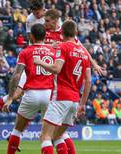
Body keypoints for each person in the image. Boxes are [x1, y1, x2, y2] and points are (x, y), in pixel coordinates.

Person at [34, 20, 91, 154]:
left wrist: (40, 62)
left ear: (61, 33)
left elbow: (56, 68)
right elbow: (88, 81)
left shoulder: (63, 47)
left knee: (45, 137)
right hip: (75, 101)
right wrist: (82, 104)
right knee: (58, 136)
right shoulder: (83, 52)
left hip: (60, 97)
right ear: (76, 32)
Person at [0, 24, 55, 154]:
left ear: (32, 36)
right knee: (46, 136)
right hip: (49, 94)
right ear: (45, 35)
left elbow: (17, 76)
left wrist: (9, 98)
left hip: (32, 93)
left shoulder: (26, 52)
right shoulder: (53, 51)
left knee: (17, 130)